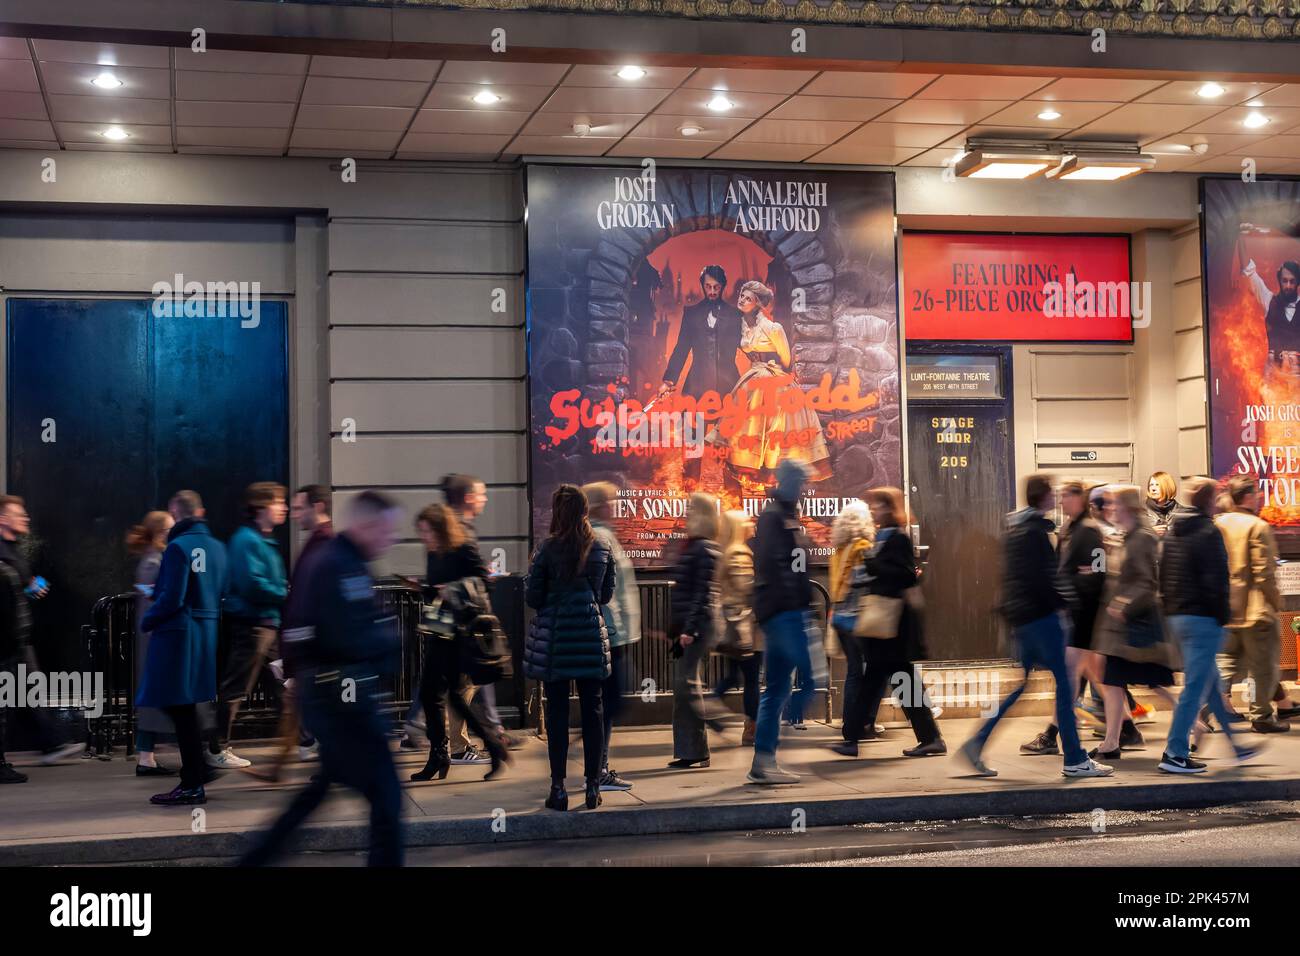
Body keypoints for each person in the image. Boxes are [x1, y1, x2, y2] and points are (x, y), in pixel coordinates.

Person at [239, 491, 405, 866]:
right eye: (386, 530)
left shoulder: (345, 561)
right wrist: (383, 639)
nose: (390, 539)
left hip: (336, 698)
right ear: (366, 524)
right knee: (387, 796)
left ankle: (255, 859)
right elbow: (340, 634)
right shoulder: (336, 564)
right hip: (342, 702)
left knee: (321, 793)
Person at [958, 475, 1113, 779]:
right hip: (1043, 619)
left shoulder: (1017, 529)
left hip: (1022, 619)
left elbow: (1019, 578)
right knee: (1065, 686)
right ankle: (1075, 758)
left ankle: (976, 743)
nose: (1058, 499)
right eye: (1055, 494)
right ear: (1045, 498)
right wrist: (1067, 601)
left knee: (1024, 685)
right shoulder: (1038, 533)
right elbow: (1045, 580)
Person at [833, 488, 945, 759]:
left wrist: (873, 566)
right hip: (883, 626)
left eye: (879, 506)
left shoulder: (897, 539)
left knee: (879, 681)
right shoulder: (883, 538)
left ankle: (853, 738)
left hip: (892, 625)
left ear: (890, 508)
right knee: (890, 682)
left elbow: (905, 576)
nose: (874, 511)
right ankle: (928, 738)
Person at [524, 484, 615, 812]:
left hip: (557, 641)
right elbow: (605, 596)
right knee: (593, 710)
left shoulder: (546, 549)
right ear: (585, 511)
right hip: (590, 638)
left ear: (557, 512)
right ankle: (592, 787)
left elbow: (533, 598)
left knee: (558, 713)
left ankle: (558, 788)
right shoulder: (602, 546)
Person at [1159, 477, 1259, 774]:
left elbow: (1162, 573)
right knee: (1194, 689)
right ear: (1209, 500)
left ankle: (1237, 747)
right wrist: (1222, 617)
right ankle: (1174, 753)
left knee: (1212, 686)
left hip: (1178, 617)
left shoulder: (1174, 531)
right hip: (1202, 619)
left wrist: (1171, 609)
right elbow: (1217, 581)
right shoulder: (1208, 531)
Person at [138, 491, 230, 806]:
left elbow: (173, 598)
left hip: (178, 636)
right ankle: (196, 771)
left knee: (176, 705)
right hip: (206, 634)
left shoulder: (177, 547)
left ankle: (193, 781)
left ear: (175, 513)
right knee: (185, 707)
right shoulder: (218, 547)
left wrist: (148, 619)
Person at [410, 502, 509, 782]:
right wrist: (425, 589)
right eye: (421, 532)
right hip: (439, 631)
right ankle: (450, 752)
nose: (423, 537)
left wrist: (449, 589)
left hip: (460, 635)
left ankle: (449, 754)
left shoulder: (463, 549)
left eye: (427, 531)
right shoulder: (433, 553)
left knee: (445, 695)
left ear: (441, 528)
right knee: (439, 695)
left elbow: (484, 581)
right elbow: (434, 592)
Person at [244, 484, 333, 782]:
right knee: (296, 706)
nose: (294, 514)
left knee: (312, 707)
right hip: (308, 644)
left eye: (299, 508)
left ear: (317, 507)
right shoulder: (317, 543)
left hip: (316, 645)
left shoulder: (324, 544)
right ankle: (277, 769)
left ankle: (331, 767)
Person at [712, 281, 830, 492]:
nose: (742, 300)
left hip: (774, 382)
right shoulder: (741, 326)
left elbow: (786, 359)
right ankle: (743, 480)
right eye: (741, 295)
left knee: (775, 435)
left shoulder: (773, 328)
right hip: (752, 379)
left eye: (748, 298)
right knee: (743, 430)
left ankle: (776, 491)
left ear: (757, 303)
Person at [0, 496, 84, 783]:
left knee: (24, 692)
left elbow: (16, 589)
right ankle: (51, 743)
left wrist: (30, 587)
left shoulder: (12, 550)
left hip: (16, 636)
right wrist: (28, 587)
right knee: (19, 692)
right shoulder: (3, 553)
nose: (25, 518)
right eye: (18, 514)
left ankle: (51, 742)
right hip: (9, 638)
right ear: (2, 519)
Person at [1090, 485, 1177, 761]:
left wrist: (1122, 605)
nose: (1111, 509)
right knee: (1114, 683)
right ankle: (1111, 742)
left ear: (1126, 507)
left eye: (1115, 504)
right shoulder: (1129, 536)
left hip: (1135, 628)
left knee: (1155, 682)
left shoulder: (1141, 538)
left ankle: (1193, 723)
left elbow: (1146, 582)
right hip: (1122, 631)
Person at [1022, 481, 1105, 756]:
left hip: (1083, 614)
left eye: (1065, 497)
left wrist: (1077, 586)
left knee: (1071, 677)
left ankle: (1052, 735)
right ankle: (1125, 727)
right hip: (1073, 612)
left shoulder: (1089, 531)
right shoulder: (1070, 529)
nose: (1060, 502)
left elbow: (1097, 573)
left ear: (1079, 499)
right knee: (1093, 676)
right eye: (1058, 497)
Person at [210, 482, 288, 769]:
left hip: (266, 626)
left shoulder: (261, 539)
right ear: (261, 508)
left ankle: (302, 742)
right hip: (252, 626)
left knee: (281, 686)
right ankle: (217, 748)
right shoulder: (247, 541)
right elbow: (252, 584)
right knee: (236, 688)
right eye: (279, 502)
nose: (284, 507)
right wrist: (282, 592)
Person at [747, 459, 816, 785]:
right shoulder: (776, 515)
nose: (803, 487)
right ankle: (783, 733)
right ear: (789, 481)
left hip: (780, 612)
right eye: (800, 481)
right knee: (809, 680)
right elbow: (779, 568)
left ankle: (764, 760)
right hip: (785, 613)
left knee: (776, 688)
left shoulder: (781, 514)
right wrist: (798, 606)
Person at [1215, 475, 1289, 733]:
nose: (1258, 497)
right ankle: (1262, 716)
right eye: (1256, 493)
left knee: (1225, 661)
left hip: (1226, 608)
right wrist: (1275, 601)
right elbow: (1264, 572)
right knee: (1263, 666)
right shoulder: (1257, 526)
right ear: (1247, 496)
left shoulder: (1219, 523)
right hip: (1255, 609)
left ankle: (1206, 710)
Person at [582, 481, 641, 792]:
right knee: (609, 702)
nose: (616, 506)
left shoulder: (598, 535)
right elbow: (609, 594)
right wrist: (616, 633)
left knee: (607, 701)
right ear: (600, 506)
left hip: (608, 633)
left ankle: (597, 764)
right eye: (612, 501)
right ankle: (598, 768)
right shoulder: (602, 538)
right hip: (611, 635)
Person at [667, 492, 722, 769]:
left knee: (686, 684)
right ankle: (691, 750)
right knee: (684, 686)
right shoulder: (696, 546)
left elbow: (702, 592)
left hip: (697, 625)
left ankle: (714, 718)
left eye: (691, 509)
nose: (686, 513)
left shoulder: (703, 548)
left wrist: (688, 629)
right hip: (689, 625)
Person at [127, 511, 177, 776]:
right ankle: (146, 758)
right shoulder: (154, 560)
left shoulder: (153, 558)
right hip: (155, 637)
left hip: (152, 635)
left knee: (154, 696)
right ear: (161, 532)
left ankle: (146, 758)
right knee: (158, 696)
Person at [712, 509, 760, 746]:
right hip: (743, 625)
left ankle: (710, 704)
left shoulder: (727, 551)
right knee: (751, 678)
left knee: (733, 676)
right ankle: (751, 729)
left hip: (732, 624)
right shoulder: (740, 553)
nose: (752, 523)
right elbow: (746, 589)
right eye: (747, 520)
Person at [827, 500, 873, 746]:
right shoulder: (863, 547)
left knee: (855, 672)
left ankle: (852, 723)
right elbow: (864, 582)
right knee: (866, 671)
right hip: (857, 617)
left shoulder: (838, 550)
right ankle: (859, 724)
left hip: (838, 616)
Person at [1243, 257, 1300, 372]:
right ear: (1279, 281)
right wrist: (1236, 239)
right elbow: (1249, 271)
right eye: (1284, 281)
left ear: (1298, 282)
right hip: (1273, 375)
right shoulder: (1269, 300)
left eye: (1292, 281)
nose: (1288, 286)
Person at [1144, 471, 1177, 538]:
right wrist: (1150, 532)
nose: (1153, 489)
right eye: (1151, 485)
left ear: (1167, 487)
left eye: (1157, 485)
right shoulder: (1140, 511)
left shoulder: (1180, 512)